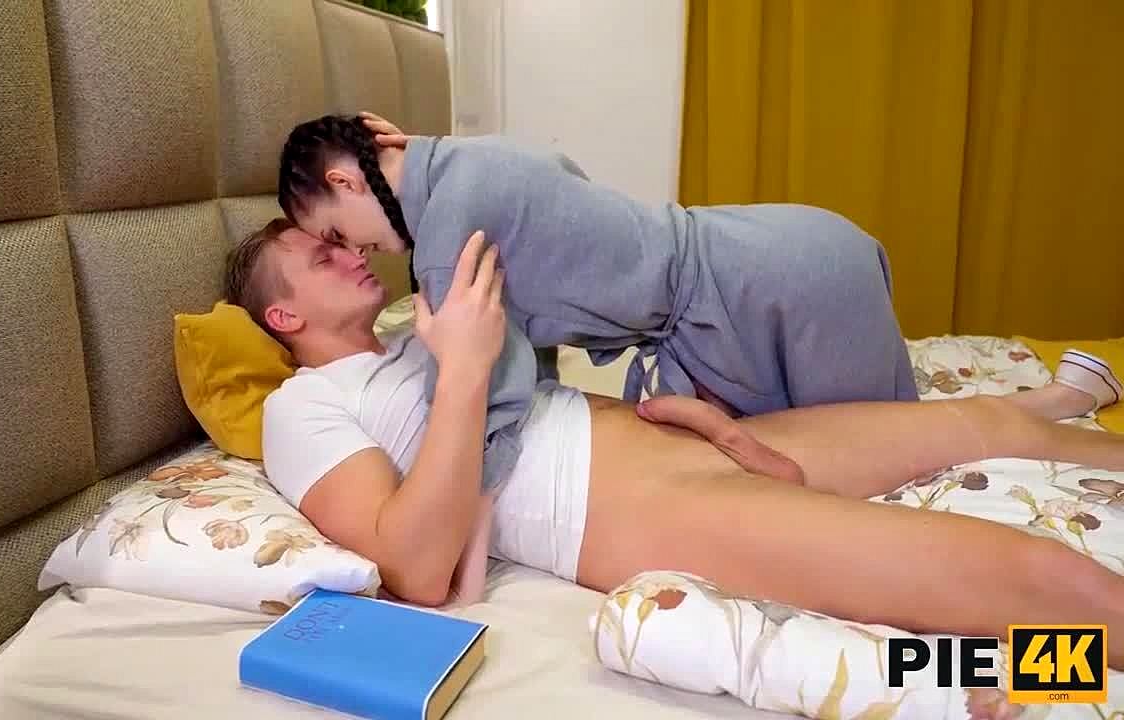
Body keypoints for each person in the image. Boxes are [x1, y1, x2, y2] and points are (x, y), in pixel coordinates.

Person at [225, 219, 1124, 668]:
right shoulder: (302, 407)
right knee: (1042, 581)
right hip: (638, 512)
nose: (353, 252)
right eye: (322, 255)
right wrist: (463, 367)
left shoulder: (411, 332)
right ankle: (1078, 678)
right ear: (283, 316)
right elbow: (415, 569)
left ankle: (1057, 406)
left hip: (693, 439)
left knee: (979, 426)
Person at [275, 112, 922, 492]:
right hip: (788, 243)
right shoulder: (468, 157)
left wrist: (462, 532)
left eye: (336, 234)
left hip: (764, 289)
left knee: (887, 466)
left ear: (344, 181)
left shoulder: (447, 248)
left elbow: (477, 411)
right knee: (888, 451)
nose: (356, 251)